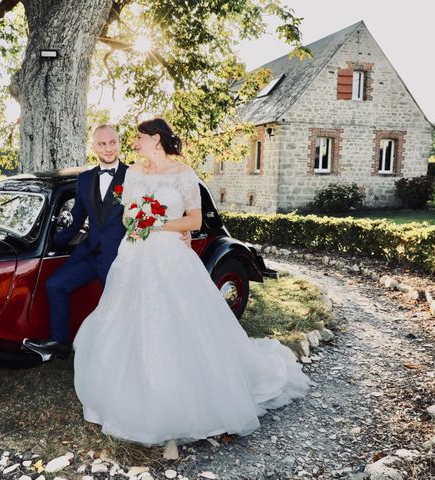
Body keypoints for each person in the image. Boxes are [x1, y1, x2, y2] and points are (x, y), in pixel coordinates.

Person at [73, 118, 310, 450]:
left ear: (155, 139)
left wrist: (157, 223)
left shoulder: (184, 173)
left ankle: (188, 393)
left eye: (140, 138)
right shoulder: (136, 173)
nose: (135, 143)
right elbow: (128, 217)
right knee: (125, 317)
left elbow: (194, 221)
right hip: (135, 255)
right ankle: (128, 390)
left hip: (169, 254)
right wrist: (141, 220)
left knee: (181, 318)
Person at [23, 125, 189, 358]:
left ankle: (128, 352)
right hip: (90, 253)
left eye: (112, 142)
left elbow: (158, 206)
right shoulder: (85, 179)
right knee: (55, 285)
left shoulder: (135, 174)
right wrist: (54, 241)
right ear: (94, 147)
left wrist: (183, 228)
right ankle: (60, 343)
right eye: (102, 144)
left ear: (119, 144)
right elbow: (77, 219)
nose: (108, 148)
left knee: (121, 307)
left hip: (121, 255)